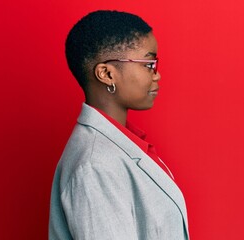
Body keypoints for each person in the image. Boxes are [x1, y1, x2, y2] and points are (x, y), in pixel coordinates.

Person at [49, 10, 189, 240]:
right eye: (148, 64)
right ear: (106, 73)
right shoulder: (95, 167)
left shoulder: (121, 146)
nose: (157, 75)